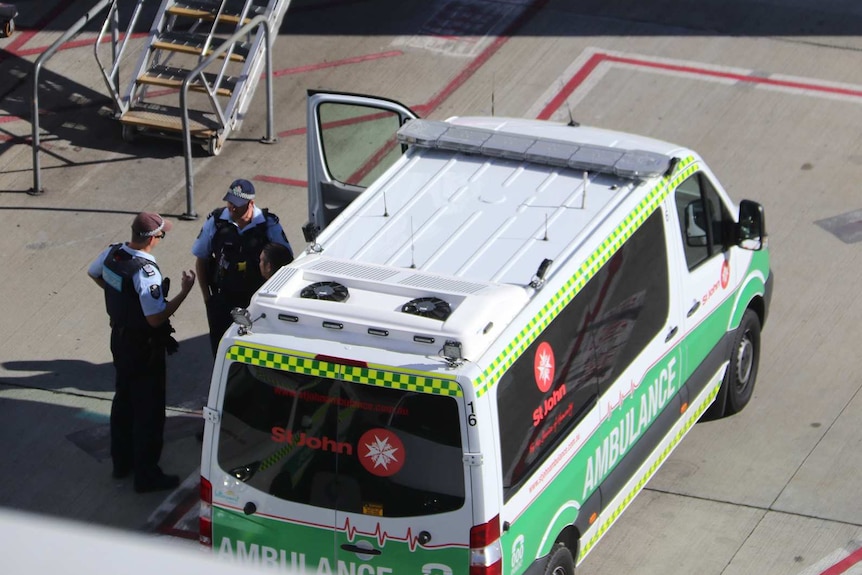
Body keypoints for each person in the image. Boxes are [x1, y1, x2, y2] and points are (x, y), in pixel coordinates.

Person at [87, 212, 196, 493]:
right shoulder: (146, 272)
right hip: (143, 346)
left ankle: (121, 463)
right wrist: (184, 293)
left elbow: (93, 272)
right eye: (162, 235)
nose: (161, 239)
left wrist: (121, 304)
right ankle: (147, 475)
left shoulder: (113, 255)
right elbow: (155, 319)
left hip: (119, 339)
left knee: (124, 399)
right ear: (151, 238)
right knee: (148, 410)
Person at [192, 178, 293, 355]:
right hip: (223, 300)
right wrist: (208, 299)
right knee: (222, 352)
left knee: (255, 351)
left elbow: (285, 262)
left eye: (237, 204)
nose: (231, 207)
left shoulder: (268, 224)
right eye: (230, 202)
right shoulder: (216, 222)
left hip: (255, 300)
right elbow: (201, 258)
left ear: (251, 203)